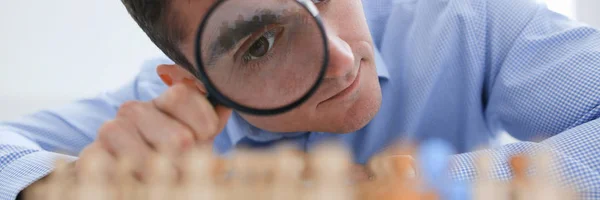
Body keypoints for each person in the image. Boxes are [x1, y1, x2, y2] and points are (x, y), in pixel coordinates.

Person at [2, 0, 600, 199]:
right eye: (261, 44)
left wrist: (399, 186)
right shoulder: (158, 120)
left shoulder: (468, 21)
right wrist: (62, 188)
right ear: (191, 83)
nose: (343, 59)